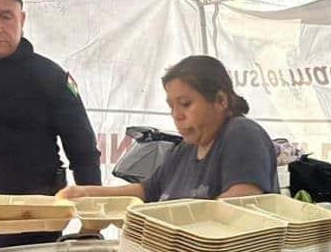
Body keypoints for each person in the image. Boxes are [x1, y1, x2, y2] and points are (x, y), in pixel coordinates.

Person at [0, 0, 101, 252]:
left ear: (22, 20)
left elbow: (84, 153)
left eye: (6, 16)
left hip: (31, 222)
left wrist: (91, 223)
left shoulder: (51, 77)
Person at [58, 55, 278, 202]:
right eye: (171, 106)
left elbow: (243, 200)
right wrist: (87, 193)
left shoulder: (241, 133)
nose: (177, 115)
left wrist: (164, 225)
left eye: (185, 104)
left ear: (220, 100)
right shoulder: (185, 149)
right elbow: (145, 191)